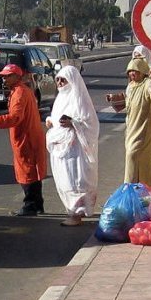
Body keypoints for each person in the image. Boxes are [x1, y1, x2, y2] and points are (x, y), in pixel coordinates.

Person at [0, 64, 47, 216]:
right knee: (32, 170)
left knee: (27, 170)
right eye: (3, 76)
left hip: (25, 137)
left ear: (17, 77)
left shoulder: (19, 93)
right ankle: (37, 204)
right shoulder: (23, 91)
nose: (4, 79)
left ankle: (30, 205)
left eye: (7, 76)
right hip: (30, 135)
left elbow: (15, 117)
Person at [46, 65, 99, 226]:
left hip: (76, 151)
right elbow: (56, 118)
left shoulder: (80, 100)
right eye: (58, 80)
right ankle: (72, 212)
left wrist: (73, 123)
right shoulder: (60, 99)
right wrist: (52, 120)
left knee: (75, 180)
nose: (61, 83)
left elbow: (91, 123)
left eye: (64, 80)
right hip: (61, 148)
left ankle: (77, 215)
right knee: (64, 179)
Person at [109, 58, 151, 185]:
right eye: (130, 71)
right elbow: (128, 100)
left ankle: (129, 186)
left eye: (135, 70)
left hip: (144, 128)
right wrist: (115, 98)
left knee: (132, 155)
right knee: (133, 157)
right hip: (131, 128)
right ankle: (136, 189)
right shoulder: (130, 86)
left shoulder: (148, 84)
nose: (132, 74)